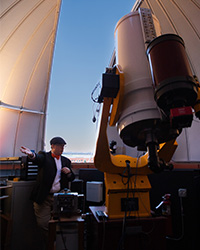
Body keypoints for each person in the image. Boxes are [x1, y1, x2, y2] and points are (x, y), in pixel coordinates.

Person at [20, 136, 75, 249]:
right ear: (52, 146)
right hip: (43, 198)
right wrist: (31, 155)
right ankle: (52, 244)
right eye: (60, 146)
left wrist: (69, 173)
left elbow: (71, 178)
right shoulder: (45, 156)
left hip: (58, 199)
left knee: (62, 223)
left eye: (63, 146)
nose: (62, 149)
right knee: (43, 224)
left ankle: (57, 244)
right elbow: (37, 158)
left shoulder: (66, 161)